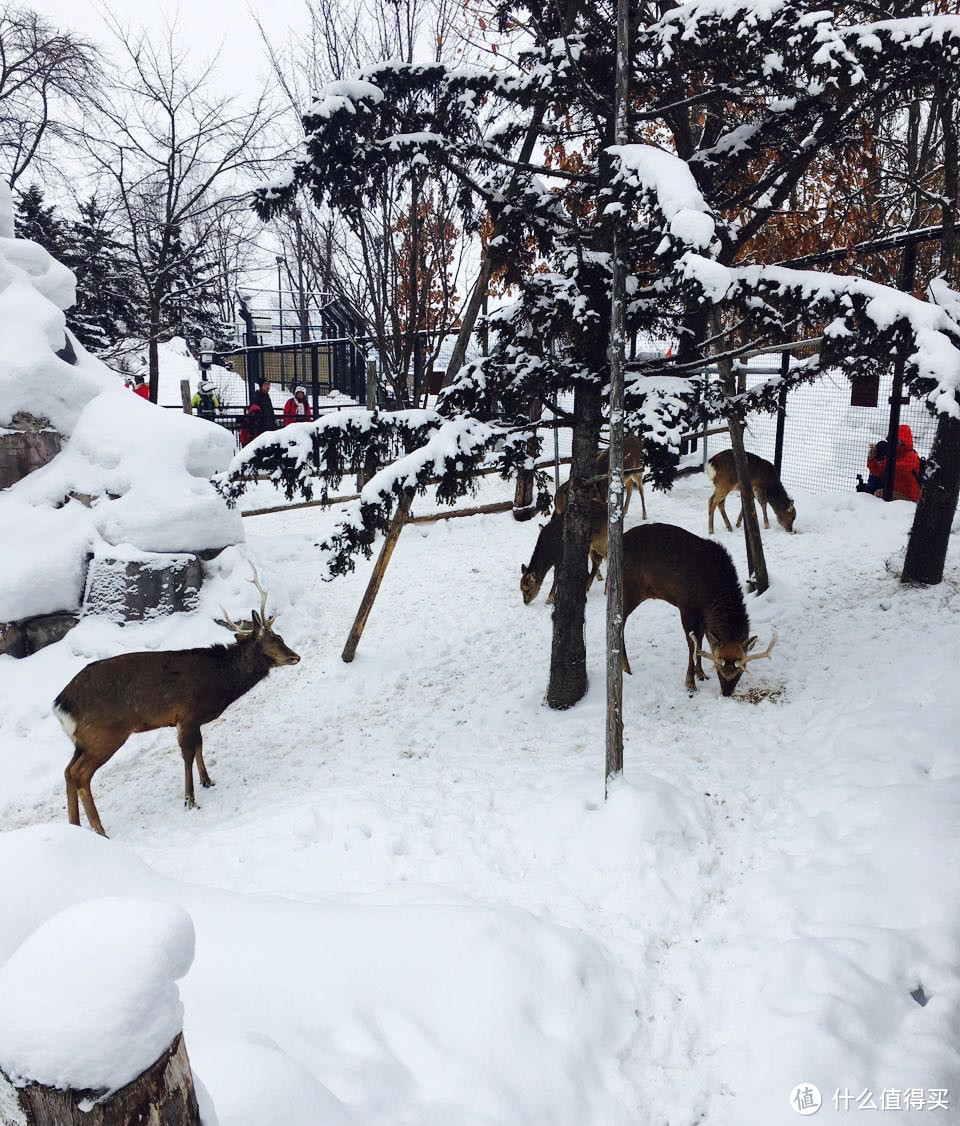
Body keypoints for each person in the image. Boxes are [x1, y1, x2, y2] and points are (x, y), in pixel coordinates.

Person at [861, 424, 921, 502]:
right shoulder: (893, 456)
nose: (892, 444)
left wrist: (886, 460)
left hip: (911, 498)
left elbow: (898, 469)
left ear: (904, 441)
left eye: (896, 441)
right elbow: (879, 472)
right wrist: (872, 460)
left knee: (879, 494)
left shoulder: (911, 455)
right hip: (896, 493)